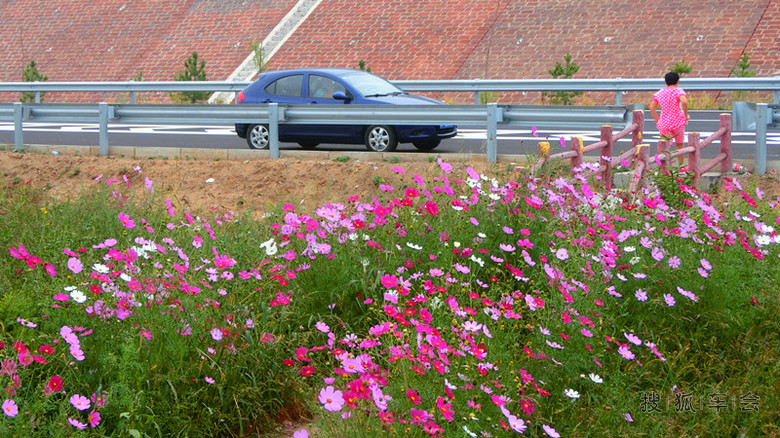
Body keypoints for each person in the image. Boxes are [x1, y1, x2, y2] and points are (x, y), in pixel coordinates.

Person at [649, 72, 690, 166]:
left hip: (664, 122)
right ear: (677, 81)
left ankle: (664, 168)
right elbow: (684, 101)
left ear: (665, 82)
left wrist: (657, 120)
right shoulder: (678, 91)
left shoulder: (660, 93)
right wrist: (686, 114)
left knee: (664, 146)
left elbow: (652, 107)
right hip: (677, 121)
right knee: (679, 144)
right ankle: (680, 167)